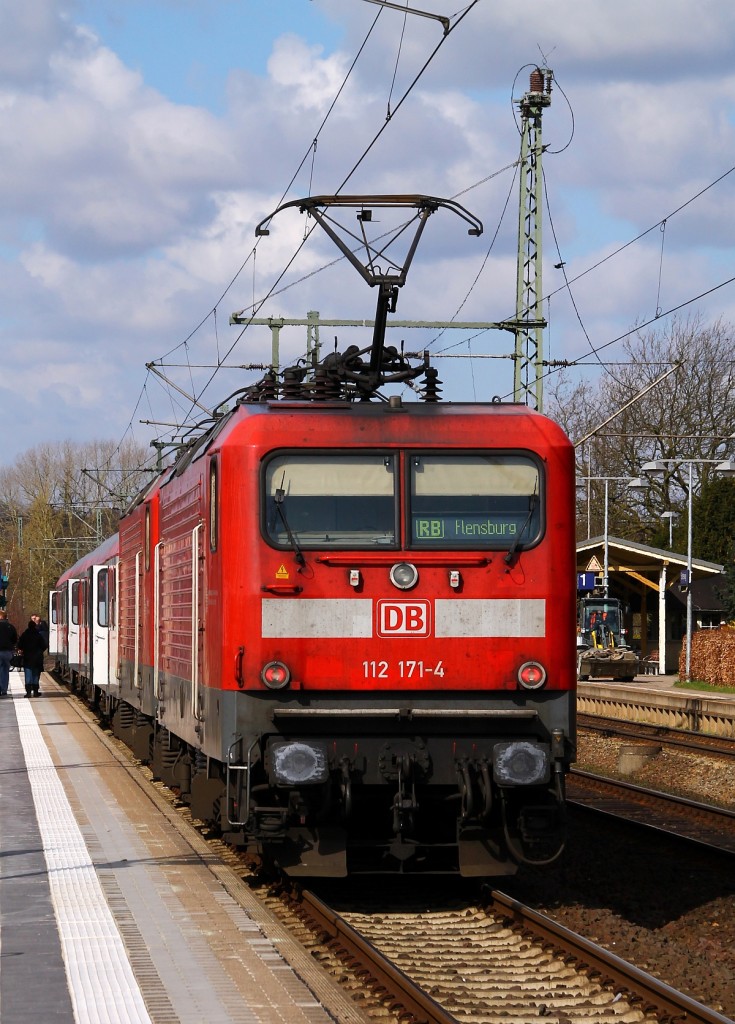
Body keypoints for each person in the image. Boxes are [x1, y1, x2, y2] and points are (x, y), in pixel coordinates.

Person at [17, 617, 47, 697]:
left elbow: (20, 645)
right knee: (36, 675)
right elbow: (44, 645)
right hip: (37, 658)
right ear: (35, 626)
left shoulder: (24, 635)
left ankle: (28, 692)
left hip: (28, 657)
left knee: (28, 674)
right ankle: (36, 692)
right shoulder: (38, 635)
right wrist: (39, 651)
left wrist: (23, 650)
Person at [0, 610, 18, 696]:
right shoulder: (10, 627)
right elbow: (15, 639)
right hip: (7, 652)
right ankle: (4, 689)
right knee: (5, 670)